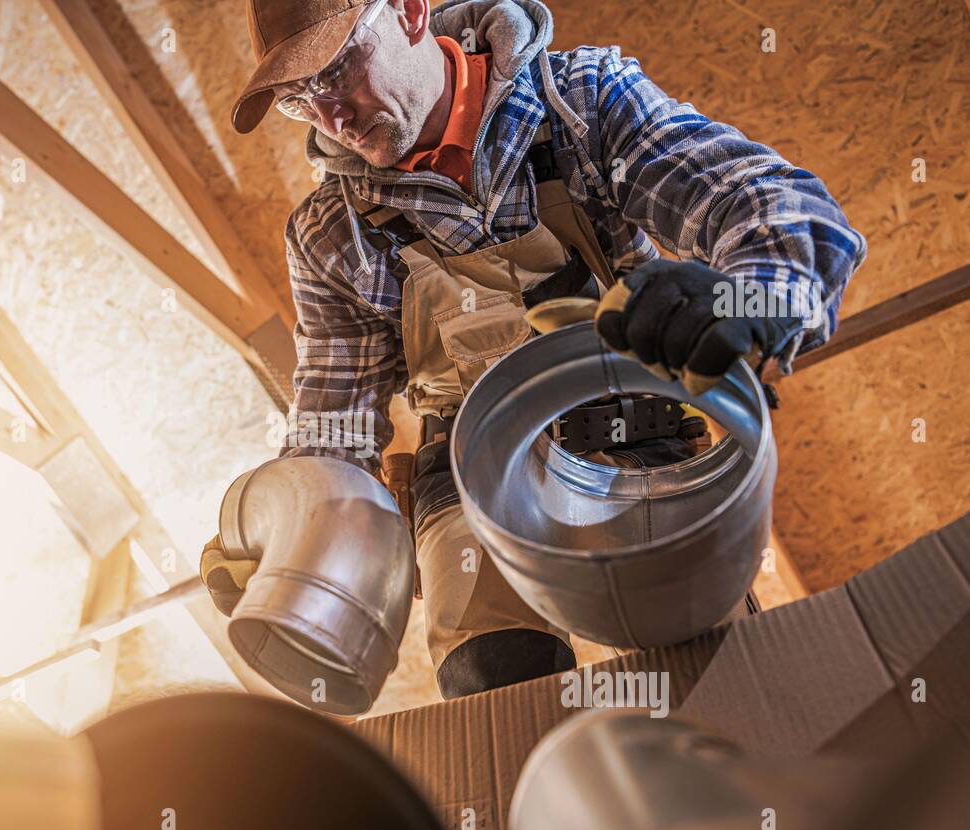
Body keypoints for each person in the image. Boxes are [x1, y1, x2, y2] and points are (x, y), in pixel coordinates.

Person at [202, 0, 865, 700]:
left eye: (338, 69)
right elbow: (336, 433)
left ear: (408, 11)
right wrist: (285, 519)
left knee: (714, 685)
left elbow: (771, 204)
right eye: (302, 100)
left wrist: (745, 301)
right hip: (466, 486)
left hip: (633, 443)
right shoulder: (329, 235)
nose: (332, 116)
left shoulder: (579, 102)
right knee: (497, 700)